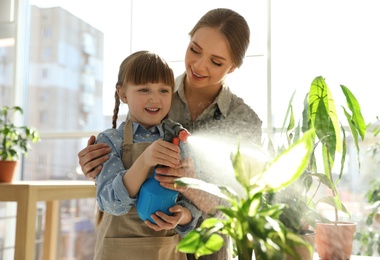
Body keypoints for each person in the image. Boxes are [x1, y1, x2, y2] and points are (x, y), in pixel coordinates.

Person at [78, 8, 263, 260]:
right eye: (194, 50)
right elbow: (119, 174)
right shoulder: (154, 99)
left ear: (233, 67)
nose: (199, 65)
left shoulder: (244, 121)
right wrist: (95, 165)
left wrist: (190, 187)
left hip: (209, 251)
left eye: (216, 61)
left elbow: (237, 206)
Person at [92, 50, 201, 260]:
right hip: (118, 251)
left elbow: (192, 205)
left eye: (163, 90)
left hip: (167, 249)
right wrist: (145, 160)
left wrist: (182, 216)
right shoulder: (109, 141)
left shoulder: (179, 142)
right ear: (123, 94)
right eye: (144, 89)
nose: (155, 98)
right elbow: (110, 203)